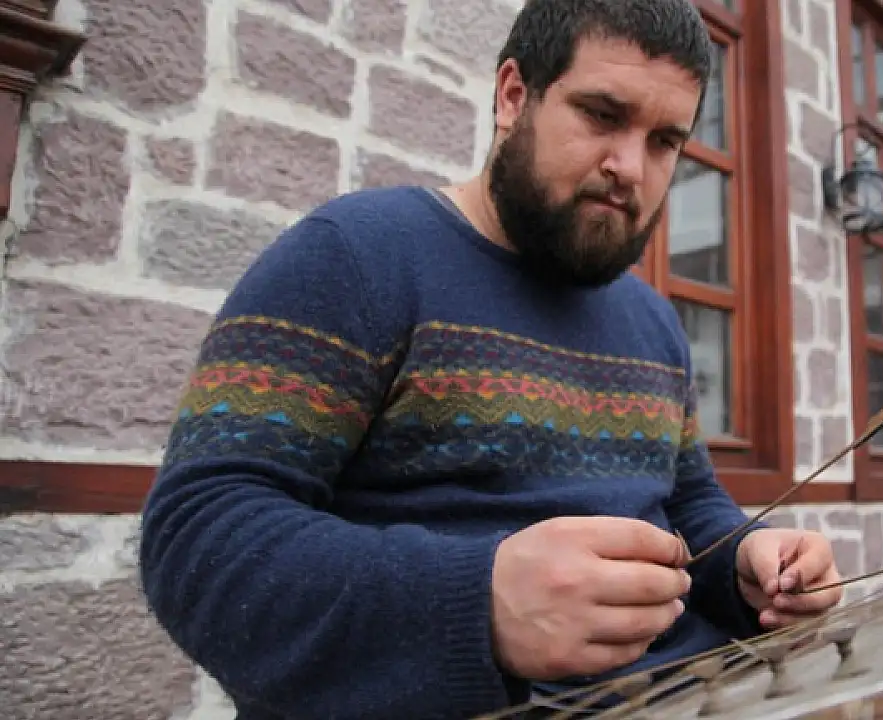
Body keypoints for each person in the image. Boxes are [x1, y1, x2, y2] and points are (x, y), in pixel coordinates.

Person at [137, 1, 845, 718]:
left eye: (664, 141)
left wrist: (749, 561)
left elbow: (688, 503)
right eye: (602, 115)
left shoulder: (655, 321)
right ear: (513, 96)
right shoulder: (354, 258)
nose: (630, 168)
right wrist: (477, 602)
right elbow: (196, 543)